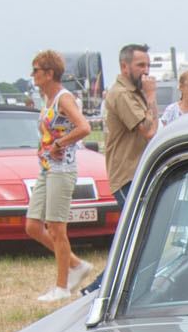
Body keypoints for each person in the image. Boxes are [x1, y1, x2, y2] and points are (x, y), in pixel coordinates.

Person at [23, 50, 94, 303]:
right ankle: (76, 264)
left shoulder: (64, 99)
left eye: (36, 70)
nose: (33, 75)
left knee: (56, 228)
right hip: (47, 168)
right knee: (33, 225)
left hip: (62, 169)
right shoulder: (47, 99)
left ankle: (62, 286)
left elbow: (84, 127)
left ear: (49, 73)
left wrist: (59, 144)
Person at [104, 43, 158, 210]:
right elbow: (148, 131)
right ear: (124, 67)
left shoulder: (134, 92)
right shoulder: (121, 94)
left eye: (148, 65)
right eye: (141, 65)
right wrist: (151, 95)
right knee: (137, 227)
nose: (146, 71)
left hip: (139, 173)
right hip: (127, 177)